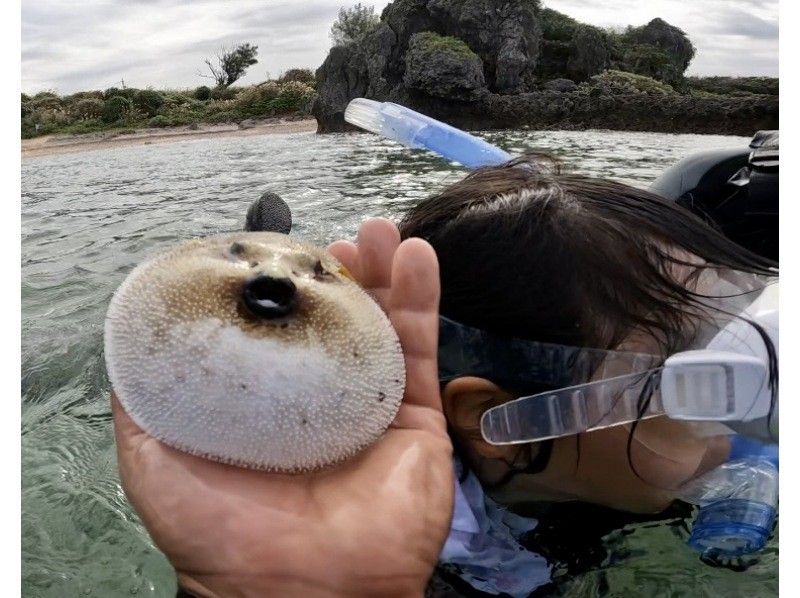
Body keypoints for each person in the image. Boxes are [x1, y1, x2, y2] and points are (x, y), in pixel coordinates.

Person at [113, 156, 777, 595]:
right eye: (701, 382)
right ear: (506, 430)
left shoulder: (610, 472)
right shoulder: (412, 557)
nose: (744, 410)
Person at [398, 154, 777, 515]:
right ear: (496, 419)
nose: (738, 415)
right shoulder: (425, 562)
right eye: (682, 385)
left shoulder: (608, 478)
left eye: (728, 339)